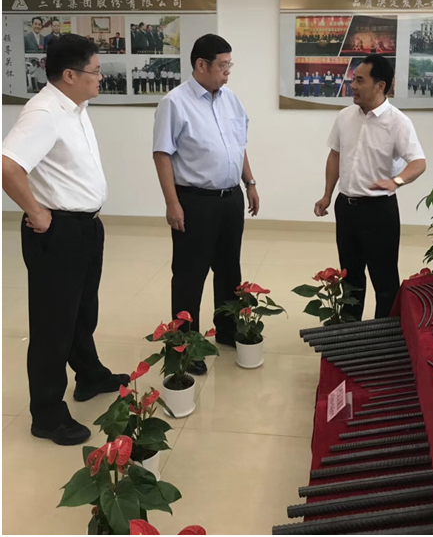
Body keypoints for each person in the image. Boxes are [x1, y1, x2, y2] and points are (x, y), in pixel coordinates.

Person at [2, 36, 129, 446]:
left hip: (85, 227)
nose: (101, 77)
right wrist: (37, 212)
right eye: (95, 71)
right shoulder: (43, 113)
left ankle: (89, 375)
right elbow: (8, 166)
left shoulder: (75, 107)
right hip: (58, 231)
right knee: (53, 325)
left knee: (81, 312)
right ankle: (47, 414)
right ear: (70, 75)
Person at [153, 33, 260, 374]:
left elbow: (238, 145)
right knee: (190, 274)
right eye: (223, 65)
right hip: (194, 201)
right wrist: (172, 203)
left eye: (230, 65)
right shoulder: (175, 103)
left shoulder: (231, 99)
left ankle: (227, 329)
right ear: (201, 65)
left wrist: (250, 182)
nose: (228, 71)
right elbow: (162, 154)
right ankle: (185, 346)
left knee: (229, 270)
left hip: (230, 198)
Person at [314, 55, 426, 319]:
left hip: (379, 211)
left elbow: (418, 163)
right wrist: (327, 194)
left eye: (360, 80)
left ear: (380, 85)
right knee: (350, 276)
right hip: (346, 207)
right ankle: (351, 330)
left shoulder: (398, 122)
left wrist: (396, 181)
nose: (353, 85)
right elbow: (335, 156)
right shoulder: (344, 117)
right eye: (354, 79)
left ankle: (383, 334)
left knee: (384, 279)